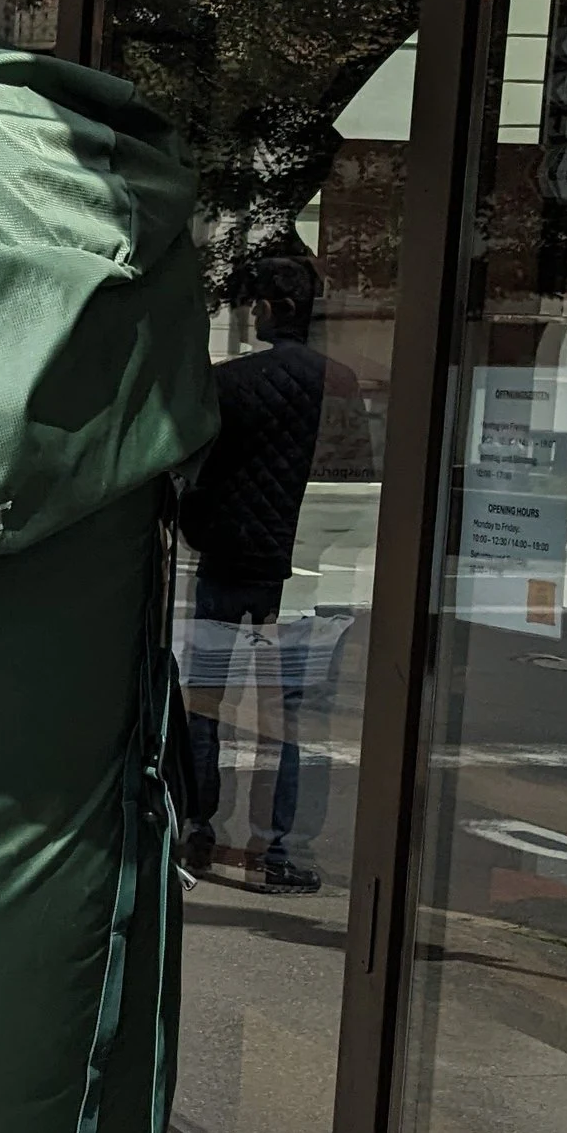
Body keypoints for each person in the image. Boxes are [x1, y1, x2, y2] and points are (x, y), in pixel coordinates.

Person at [178, 245, 371, 895]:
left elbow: (197, 481)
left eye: (256, 303)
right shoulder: (339, 383)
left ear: (274, 307)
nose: (252, 313)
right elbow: (354, 479)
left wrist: (200, 530)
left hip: (228, 563)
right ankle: (276, 847)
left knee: (206, 703)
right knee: (288, 720)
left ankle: (199, 827)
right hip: (305, 573)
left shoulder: (230, 385)